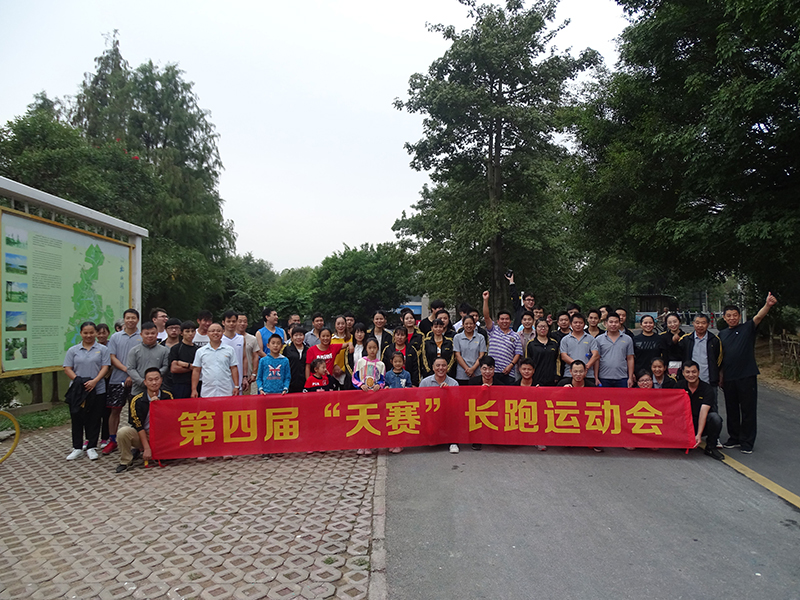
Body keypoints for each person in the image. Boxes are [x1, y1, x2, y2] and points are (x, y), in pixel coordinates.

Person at [719, 293, 777, 454]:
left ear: (739, 316)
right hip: (729, 378)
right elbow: (721, 358)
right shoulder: (722, 334)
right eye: (729, 316)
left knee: (748, 410)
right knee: (731, 409)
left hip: (746, 376)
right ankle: (734, 438)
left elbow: (759, 317)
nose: (732, 318)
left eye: (735, 315)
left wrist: (768, 305)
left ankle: (747, 442)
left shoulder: (747, 328)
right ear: (724, 317)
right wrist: (721, 376)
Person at [63, 321, 111, 461]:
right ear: (81, 333)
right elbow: (67, 368)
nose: (88, 335)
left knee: (94, 418)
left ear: (95, 333)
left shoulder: (103, 349)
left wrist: (95, 381)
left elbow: (105, 367)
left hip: (97, 389)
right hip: (78, 391)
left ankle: (91, 446)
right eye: (85, 333)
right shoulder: (73, 350)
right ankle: (77, 447)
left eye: (91, 332)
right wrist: (78, 381)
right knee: (77, 418)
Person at [114, 368, 174, 473]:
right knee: (123, 432)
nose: (154, 383)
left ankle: (160, 452)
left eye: (157, 379)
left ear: (161, 380)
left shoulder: (168, 396)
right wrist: (147, 448)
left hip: (161, 435)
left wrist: (159, 407)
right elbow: (138, 426)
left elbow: (171, 420)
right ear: (145, 382)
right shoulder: (137, 400)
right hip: (144, 434)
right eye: (150, 380)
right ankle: (126, 461)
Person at [104, 308, 141, 455]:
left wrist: (132, 375)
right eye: (128, 318)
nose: (130, 320)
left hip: (136, 380)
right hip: (117, 378)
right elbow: (112, 357)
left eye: (133, 318)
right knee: (115, 410)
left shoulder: (142, 336)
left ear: (137, 320)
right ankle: (113, 440)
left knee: (136, 411)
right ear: (124, 320)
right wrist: (127, 370)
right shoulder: (115, 337)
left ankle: (136, 442)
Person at [679, 361, 724, 461]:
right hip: (685, 424)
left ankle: (711, 447)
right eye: (688, 372)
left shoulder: (707, 389)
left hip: (700, 422)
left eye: (694, 372)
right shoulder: (679, 386)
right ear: (683, 373)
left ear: (699, 372)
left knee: (715, 418)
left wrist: (699, 434)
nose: (691, 375)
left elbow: (703, 412)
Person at [482, 290, 523, 384]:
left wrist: (511, 365)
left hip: (508, 373)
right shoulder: (493, 330)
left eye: (507, 319)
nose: (504, 321)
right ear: (498, 321)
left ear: (510, 321)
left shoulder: (515, 336)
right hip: (492, 372)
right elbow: (486, 316)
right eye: (502, 319)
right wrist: (485, 300)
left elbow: (518, 353)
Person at [678, 314, 722, 398]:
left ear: (708, 324)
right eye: (697, 323)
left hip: (709, 380)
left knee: (711, 404)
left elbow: (719, 360)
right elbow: (678, 355)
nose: (700, 325)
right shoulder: (686, 339)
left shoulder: (714, 340)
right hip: (689, 380)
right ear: (693, 323)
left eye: (703, 323)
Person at [191, 323, 239, 398]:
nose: (215, 333)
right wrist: (194, 389)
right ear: (207, 333)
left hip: (225, 390)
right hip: (207, 391)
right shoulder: (200, 351)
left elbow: (234, 368)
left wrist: (236, 386)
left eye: (218, 331)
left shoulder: (230, 350)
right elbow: (196, 370)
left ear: (223, 332)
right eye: (212, 331)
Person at [125, 322, 170, 399]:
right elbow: (131, 368)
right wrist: (142, 381)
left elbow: (166, 366)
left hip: (158, 389)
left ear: (157, 334)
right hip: (138, 389)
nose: (150, 336)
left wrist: (154, 379)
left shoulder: (165, 350)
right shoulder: (134, 351)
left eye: (153, 333)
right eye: (147, 333)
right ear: (141, 334)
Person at [596, 311, 635, 388]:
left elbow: (630, 358)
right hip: (603, 377)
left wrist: (630, 377)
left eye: (616, 322)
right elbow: (597, 359)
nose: (613, 324)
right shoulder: (599, 339)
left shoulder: (627, 339)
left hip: (622, 377)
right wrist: (596, 377)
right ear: (606, 323)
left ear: (620, 323)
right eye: (611, 322)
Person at [560, 313, 599, 382]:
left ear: (584, 324)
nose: (578, 325)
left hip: (588, 375)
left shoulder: (591, 339)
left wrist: (585, 367)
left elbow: (595, 355)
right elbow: (564, 356)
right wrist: (577, 367)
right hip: (570, 374)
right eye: (575, 322)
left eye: (580, 323)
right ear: (571, 324)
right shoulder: (565, 339)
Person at [169, 321, 199, 399]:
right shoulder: (176, 348)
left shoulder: (199, 350)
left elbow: (200, 368)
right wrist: (192, 367)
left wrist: (185, 364)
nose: (190, 334)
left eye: (192, 331)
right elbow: (174, 369)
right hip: (180, 384)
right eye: (187, 331)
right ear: (181, 333)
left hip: (196, 384)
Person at [453, 315, 486, 386]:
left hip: (477, 372)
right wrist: (467, 369)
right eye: (466, 324)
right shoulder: (457, 337)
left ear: (474, 325)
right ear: (463, 325)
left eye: (471, 324)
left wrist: (473, 369)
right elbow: (457, 355)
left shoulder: (481, 337)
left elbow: (481, 355)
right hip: (462, 373)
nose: (469, 326)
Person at [221, 310, 249, 393]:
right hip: (223, 379)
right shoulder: (220, 339)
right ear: (223, 323)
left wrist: (245, 376)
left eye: (233, 321)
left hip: (238, 378)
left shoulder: (241, 339)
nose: (231, 324)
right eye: (228, 321)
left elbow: (244, 358)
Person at [526, 318, 560, 386]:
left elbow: (558, 360)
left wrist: (557, 374)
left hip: (551, 379)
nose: (543, 328)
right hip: (536, 378)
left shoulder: (554, 343)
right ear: (535, 328)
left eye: (545, 326)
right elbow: (528, 362)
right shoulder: (531, 344)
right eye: (540, 326)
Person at [95, 322, 112, 449]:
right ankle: (91, 439)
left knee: (107, 411)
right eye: (99, 333)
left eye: (104, 333)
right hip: (95, 380)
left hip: (109, 380)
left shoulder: (112, 346)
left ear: (108, 333)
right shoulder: (92, 346)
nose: (101, 335)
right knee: (94, 411)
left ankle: (105, 437)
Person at [236, 314, 261, 395]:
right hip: (231, 375)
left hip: (247, 375)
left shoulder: (252, 339)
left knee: (245, 398)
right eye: (240, 321)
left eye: (245, 322)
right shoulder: (228, 339)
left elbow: (255, 356)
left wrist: (254, 373)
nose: (242, 324)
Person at [282, 326, 308, 393]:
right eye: (296, 335)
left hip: (304, 382)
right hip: (290, 382)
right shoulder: (287, 349)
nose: (298, 337)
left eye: (301, 335)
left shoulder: (308, 349)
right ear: (292, 337)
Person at [659, 312, 684, 376]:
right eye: (669, 323)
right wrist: (672, 342)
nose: (673, 324)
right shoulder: (663, 337)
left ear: (679, 322)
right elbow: (664, 353)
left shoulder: (685, 336)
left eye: (675, 322)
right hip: (669, 366)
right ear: (666, 324)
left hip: (683, 366)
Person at [345, 323, 369, 390]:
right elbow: (347, 364)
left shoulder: (368, 347)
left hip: (366, 379)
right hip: (351, 380)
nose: (359, 334)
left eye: (362, 332)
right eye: (357, 332)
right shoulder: (350, 348)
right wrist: (354, 376)